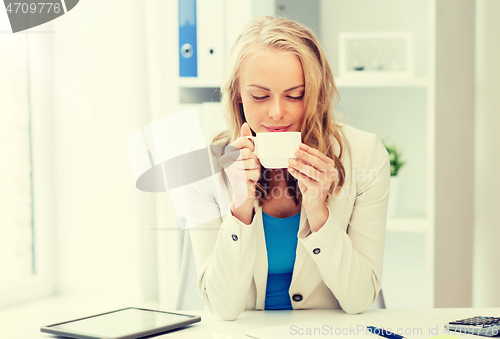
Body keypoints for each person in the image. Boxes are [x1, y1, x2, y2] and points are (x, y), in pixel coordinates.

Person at [184, 15, 390, 321]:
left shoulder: (365, 155)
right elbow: (222, 307)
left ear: (317, 93)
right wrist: (240, 205)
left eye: (296, 95)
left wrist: (319, 212)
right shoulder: (202, 167)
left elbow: (359, 298)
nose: (278, 112)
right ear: (238, 95)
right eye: (260, 96)